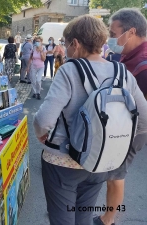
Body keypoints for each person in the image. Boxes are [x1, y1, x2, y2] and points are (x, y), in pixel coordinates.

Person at [33, 15, 147, 225]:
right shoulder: (122, 72)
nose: (65, 50)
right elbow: (144, 119)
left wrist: (41, 132)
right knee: (84, 215)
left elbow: (44, 120)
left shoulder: (69, 70)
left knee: (62, 218)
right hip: (99, 160)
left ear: (75, 43)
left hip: (62, 162)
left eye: (66, 45)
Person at [94, 8, 147, 225]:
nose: (111, 39)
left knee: (116, 175)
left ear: (131, 32)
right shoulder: (128, 57)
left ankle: (108, 220)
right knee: (112, 173)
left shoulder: (143, 64)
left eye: (114, 34)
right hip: (123, 126)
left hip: (133, 130)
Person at [27, 35, 46, 100]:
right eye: (36, 41)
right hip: (33, 66)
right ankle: (35, 92)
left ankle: (38, 93)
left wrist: (41, 52)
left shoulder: (43, 48)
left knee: (38, 80)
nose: (37, 42)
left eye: (38, 41)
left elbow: (44, 59)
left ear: (41, 42)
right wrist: (28, 66)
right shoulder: (33, 48)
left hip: (41, 67)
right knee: (33, 80)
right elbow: (30, 58)